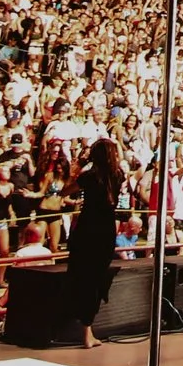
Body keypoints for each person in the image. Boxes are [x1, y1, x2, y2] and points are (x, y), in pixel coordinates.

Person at [66, 137, 121, 347]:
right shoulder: (117, 175)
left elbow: (64, 191)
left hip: (89, 228)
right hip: (106, 229)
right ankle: (88, 327)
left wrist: (78, 165)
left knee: (83, 276)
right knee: (96, 277)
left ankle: (85, 329)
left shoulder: (89, 176)